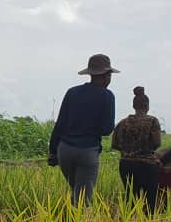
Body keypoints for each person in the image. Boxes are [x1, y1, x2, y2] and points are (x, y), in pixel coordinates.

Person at [48, 53, 118, 206]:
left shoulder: (72, 92)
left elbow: (60, 124)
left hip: (64, 151)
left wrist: (53, 151)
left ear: (91, 74)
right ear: (107, 76)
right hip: (87, 152)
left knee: (77, 193)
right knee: (83, 201)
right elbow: (107, 129)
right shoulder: (107, 96)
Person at [111, 86, 162, 213]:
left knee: (130, 199)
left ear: (134, 106)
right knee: (150, 201)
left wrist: (128, 150)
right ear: (147, 106)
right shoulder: (153, 121)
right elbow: (156, 143)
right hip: (148, 166)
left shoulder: (122, 123)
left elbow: (115, 144)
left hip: (126, 165)